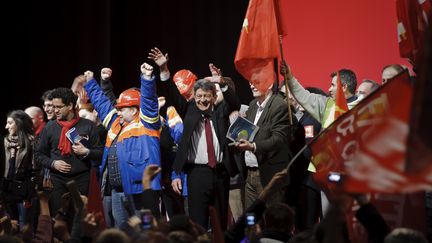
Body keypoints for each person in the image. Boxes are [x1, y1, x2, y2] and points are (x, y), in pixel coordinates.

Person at [151, 47, 240, 231]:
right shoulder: (189, 111)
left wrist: (222, 82)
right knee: (197, 224)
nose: (202, 101)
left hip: (221, 173)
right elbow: (172, 93)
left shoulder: (221, 112)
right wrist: (163, 69)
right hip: (196, 174)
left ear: (214, 97)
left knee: (220, 225)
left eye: (206, 96)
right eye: (198, 97)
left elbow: (234, 102)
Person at [83, 62, 162, 228]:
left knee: (147, 231)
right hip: (118, 190)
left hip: (141, 190)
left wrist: (147, 79)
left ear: (134, 110)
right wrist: (90, 83)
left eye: (122, 108)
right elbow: (103, 105)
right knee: (122, 233)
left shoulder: (147, 123)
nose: (117, 111)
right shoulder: (116, 123)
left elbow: (148, 102)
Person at [35, 87, 103, 215]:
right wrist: (53, 163)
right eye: (54, 107)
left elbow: (100, 152)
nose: (55, 111)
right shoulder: (50, 127)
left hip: (82, 179)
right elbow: (39, 155)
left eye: (59, 107)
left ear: (70, 105)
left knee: (80, 218)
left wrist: (87, 151)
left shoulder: (88, 125)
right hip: (57, 180)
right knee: (60, 218)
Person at [234, 81, 293, 209]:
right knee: (251, 222)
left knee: (270, 221)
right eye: (250, 82)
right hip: (249, 175)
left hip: (269, 176)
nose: (251, 85)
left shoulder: (279, 105)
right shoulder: (252, 105)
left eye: (256, 82)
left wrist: (253, 146)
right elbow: (248, 133)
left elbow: (279, 139)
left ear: (270, 84)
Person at [281, 61, 358, 128]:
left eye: (333, 85)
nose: (329, 89)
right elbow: (304, 96)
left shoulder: (363, 109)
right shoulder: (326, 104)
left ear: (343, 87)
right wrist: (289, 77)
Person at [2, 110, 36, 228]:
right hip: (6, 189)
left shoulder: (31, 142)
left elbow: (35, 168)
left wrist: (31, 191)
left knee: (24, 225)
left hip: (23, 191)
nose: (6, 126)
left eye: (10, 123)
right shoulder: (4, 142)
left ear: (19, 123)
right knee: (9, 224)